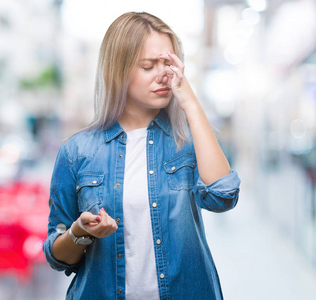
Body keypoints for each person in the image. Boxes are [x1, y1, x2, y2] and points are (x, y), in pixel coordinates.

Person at [43, 12, 241, 300]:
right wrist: (79, 231)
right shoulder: (77, 152)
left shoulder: (186, 140)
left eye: (169, 64)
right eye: (148, 66)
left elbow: (224, 196)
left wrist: (190, 103)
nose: (163, 75)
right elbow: (56, 255)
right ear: (118, 70)